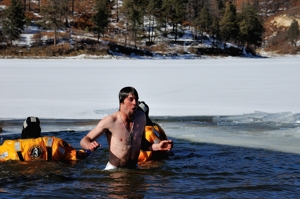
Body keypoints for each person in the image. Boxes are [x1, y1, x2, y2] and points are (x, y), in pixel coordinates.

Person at [80, 86, 173, 170]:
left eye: (136, 99)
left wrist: (158, 146)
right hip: (114, 170)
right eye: (131, 100)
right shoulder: (111, 121)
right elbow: (84, 140)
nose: (135, 103)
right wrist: (89, 145)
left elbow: (142, 143)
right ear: (122, 102)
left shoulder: (141, 118)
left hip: (134, 168)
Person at [0, 116, 88, 161]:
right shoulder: (55, 143)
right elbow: (74, 156)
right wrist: (88, 151)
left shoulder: (10, 146)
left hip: (22, 175)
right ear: (39, 130)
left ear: (24, 131)